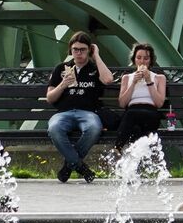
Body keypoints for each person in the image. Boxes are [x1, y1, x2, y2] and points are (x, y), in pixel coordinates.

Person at [44, 31, 115, 183]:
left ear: (89, 49)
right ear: (71, 50)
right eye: (75, 49)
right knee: (54, 129)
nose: (79, 53)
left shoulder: (94, 68)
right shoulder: (61, 68)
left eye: (83, 49)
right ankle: (79, 166)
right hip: (64, 113)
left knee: (94, 128)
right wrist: (63, 85)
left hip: (88, 112)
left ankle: (69, 165)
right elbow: (50, 98)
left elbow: (108, 80)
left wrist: (96, 56)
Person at [107, 42, 168, 156]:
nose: (142, 61)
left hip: (150, 112)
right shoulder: (126, 78)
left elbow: (159, 103)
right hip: (132, 112)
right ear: (134, 60)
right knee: (135, 129)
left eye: (146, 58)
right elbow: (122, 103)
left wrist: (149, 81)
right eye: (139, 58)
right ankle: (136, 164)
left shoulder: (159, 78)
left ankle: (118, 147)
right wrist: (133, 83)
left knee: (131, 115)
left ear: (150, 61)